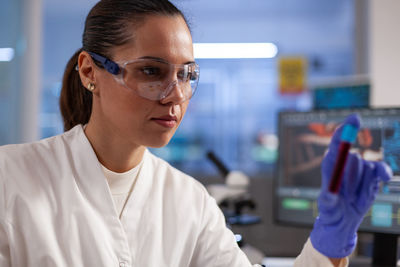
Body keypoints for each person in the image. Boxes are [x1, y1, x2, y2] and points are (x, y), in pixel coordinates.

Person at [0, 0, 392, 266]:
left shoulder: (189, 201)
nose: (175, 96)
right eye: (151, 72)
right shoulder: (11, 178)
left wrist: (329, 236)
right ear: (90, 72)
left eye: (186, 74)